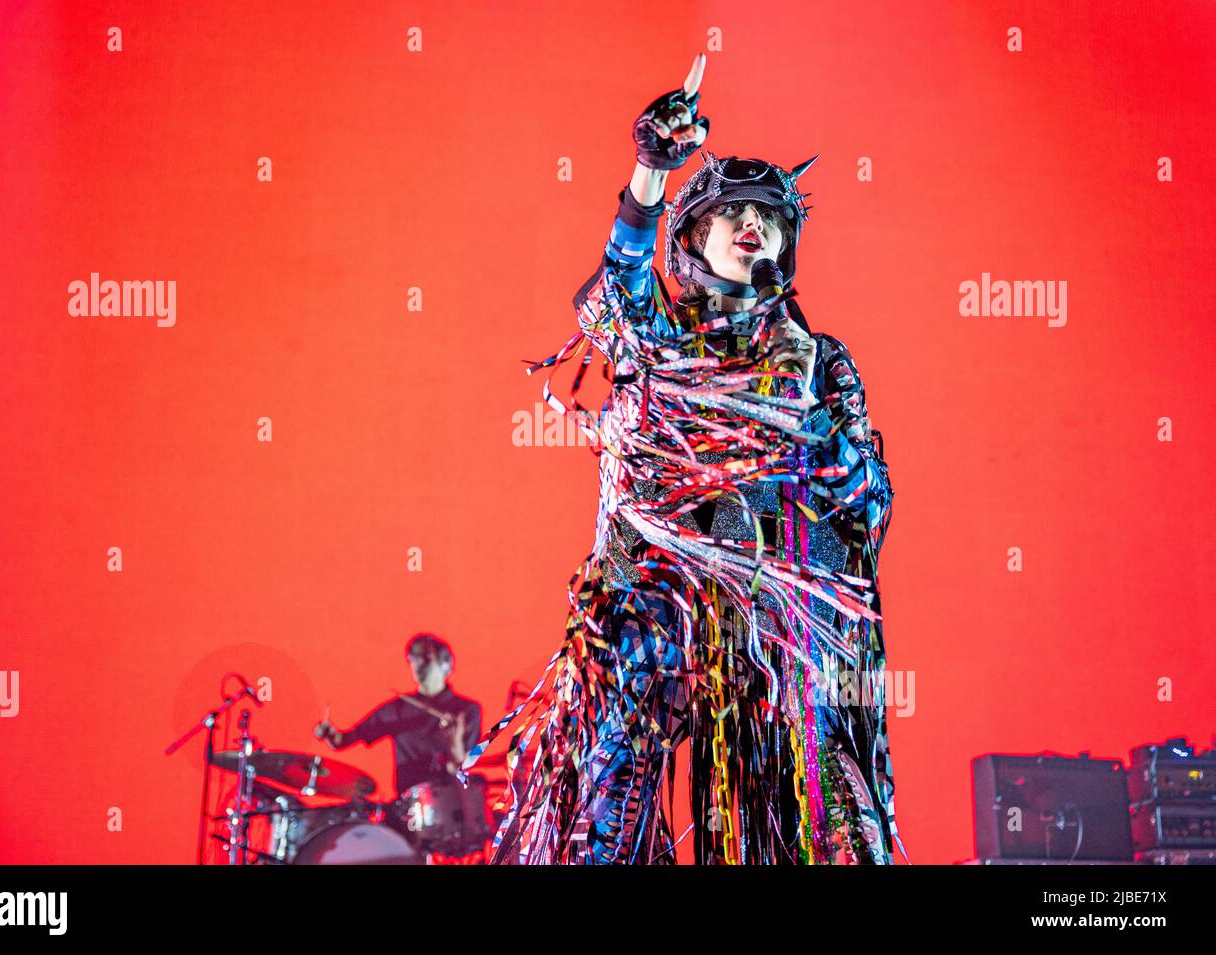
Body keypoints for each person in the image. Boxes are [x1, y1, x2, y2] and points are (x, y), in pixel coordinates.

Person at [461, 54, 905, 865]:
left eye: (768, 220)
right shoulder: (665, 342)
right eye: (732, 214)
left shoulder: (819, 357)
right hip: (666, 603)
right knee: (611, 760)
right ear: (695, 236)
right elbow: (619, 299)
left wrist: (831, 445)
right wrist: (648, 176)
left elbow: (871, 506)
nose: (753, 228)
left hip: (784, 623)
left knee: (840, 822)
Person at [314, 633, 481, 795]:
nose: (418, 664)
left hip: (455, 801)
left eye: (426, 658)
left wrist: (455, 741)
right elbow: (343, 741)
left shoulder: (466, 710)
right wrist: (330, 735)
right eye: (413, 659)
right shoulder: (397, 709)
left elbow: (463, 768)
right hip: (408, 808)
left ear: (446, 665)